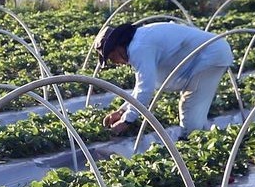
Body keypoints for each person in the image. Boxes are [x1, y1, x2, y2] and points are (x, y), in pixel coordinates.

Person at [94, 22, 234, 136]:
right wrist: (122, 111)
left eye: (112, 57)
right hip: (208, 54)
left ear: (118, 46)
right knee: (195, 109)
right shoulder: (139, 40)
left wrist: (127, 121)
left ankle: (193, 148)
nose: (116, 63)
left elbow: (146, 89)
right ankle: (203, 139)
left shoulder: (139, 48)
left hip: (211, 55)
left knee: (190, 108)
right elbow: (141, 86)